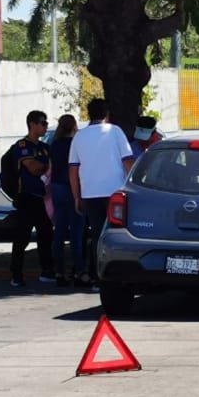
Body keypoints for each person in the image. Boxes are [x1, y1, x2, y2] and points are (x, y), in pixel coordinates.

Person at [68, 98, 134, 287]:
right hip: (116, 192)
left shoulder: (79, 137)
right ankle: (115, 272)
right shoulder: (115, 132)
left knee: (96, 233)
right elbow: (128, 162)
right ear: (107, 114)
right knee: (117, 232)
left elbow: (73, 169)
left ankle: (95, 273)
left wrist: (76, 197)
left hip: (90, 193)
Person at [8, 110, 56, 288]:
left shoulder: (44, 148)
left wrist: (47, 167)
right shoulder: (22, 146)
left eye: (46, 123)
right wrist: (47, 167)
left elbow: (53, 167)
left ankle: (47, 271)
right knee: (22, 237)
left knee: (46, 234)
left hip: (43, 198)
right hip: (27, 198)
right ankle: (16, 274)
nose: (45, 126)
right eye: (42, 123)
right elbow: (33, 168)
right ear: (32, 124)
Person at [48, 114, 84, 286]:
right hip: (73, 188)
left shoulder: (54, 145)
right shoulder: (76, 144)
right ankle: (79, 271)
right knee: (77, 232)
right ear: (74, 126)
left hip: (57, 187)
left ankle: (59, 272)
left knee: (59, 232)